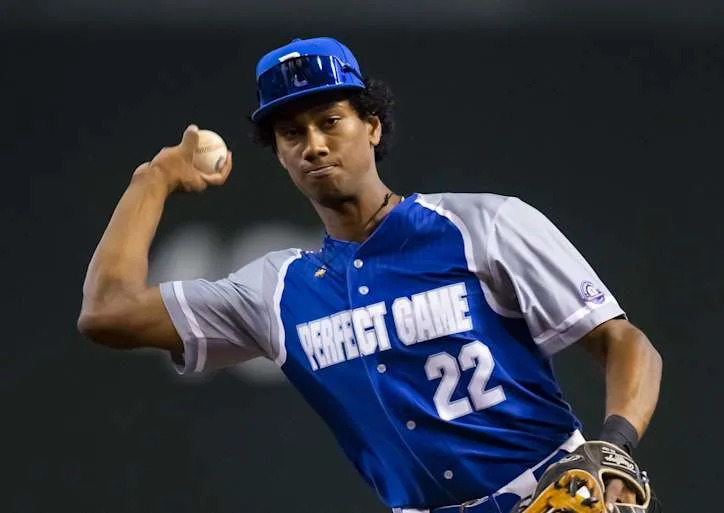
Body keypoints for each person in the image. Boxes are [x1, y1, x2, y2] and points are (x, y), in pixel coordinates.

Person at [78, 36, 663, 513]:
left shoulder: (482, 224)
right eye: (291, 133)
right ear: (278, 153)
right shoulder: (276, 292)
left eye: (331, 120)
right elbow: (108, 312)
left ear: (373, 126)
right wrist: (150, 180)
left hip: (557, 496)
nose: (313, 144)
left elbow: (623, 342)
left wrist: (614, 446)